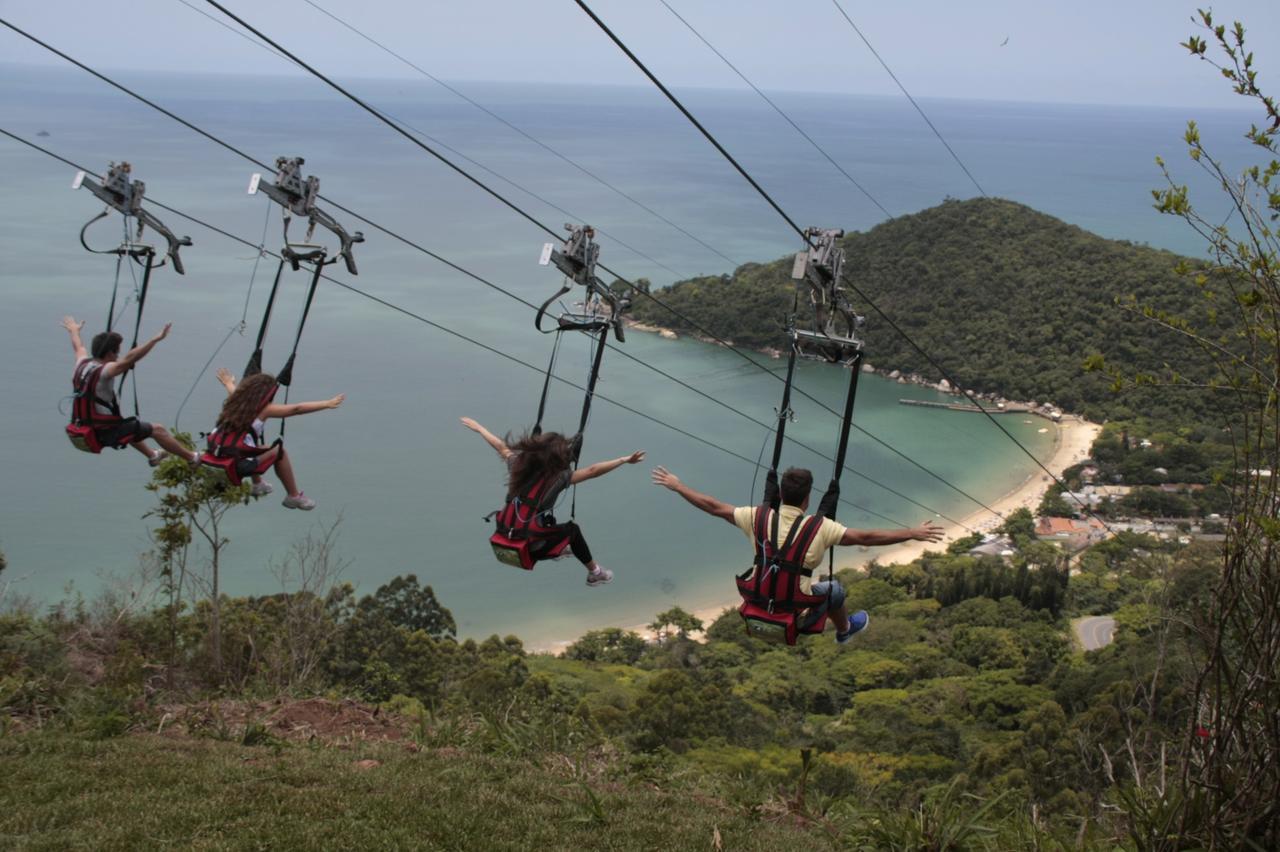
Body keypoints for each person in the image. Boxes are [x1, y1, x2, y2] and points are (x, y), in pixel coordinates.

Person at [651, 465, 944, 643]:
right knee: (835, 589)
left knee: (816, 585)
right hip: (796, 611)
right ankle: (844, 631)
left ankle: (840, 628)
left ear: (780, 493)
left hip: (758, 601)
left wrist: (678, 486)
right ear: (807, 499)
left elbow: (713, 506)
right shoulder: (821, 528)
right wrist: (911, 532)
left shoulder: (757, 518)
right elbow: (866, 537)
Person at [461, 417, 644, 586]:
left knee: (542, 523)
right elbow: (592, 471)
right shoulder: (558, 478)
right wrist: (623, 460)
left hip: (504, 536)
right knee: (573, 530)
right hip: (532, 547)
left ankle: (559, 548)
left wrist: (479, 428)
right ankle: (595, 573)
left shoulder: (517, 465)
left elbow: (501, 447)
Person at [63, 315, 200, 465]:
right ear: (109, 354)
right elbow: (129, 359)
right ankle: (192, 458)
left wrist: (74, 330)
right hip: (103, 432)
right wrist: (155, 340)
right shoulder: (105, 371)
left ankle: (153, 455)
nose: (118, 356)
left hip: (82, 426)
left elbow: (79, 347)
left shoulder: (81, 364)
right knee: (158, 429)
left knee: (129, 426)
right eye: (116, 353)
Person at [206, 369, 344, 510]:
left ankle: (258, 484)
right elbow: (296, 409)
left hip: (218, 455)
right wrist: (326, 404)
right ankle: (293, 496)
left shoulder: (235, 402)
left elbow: (233, 390)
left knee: (258, 447)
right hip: (238, 465)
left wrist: (228, 382)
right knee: (280, 452)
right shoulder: (264, 409)